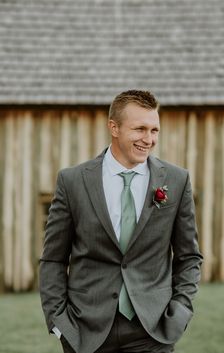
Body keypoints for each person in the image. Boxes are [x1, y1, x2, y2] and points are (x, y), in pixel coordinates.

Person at [39, 90, 203, 353]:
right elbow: (53, 259)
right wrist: (60, 323)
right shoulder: (72, 182)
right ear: (113, 127)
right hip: (86, 332)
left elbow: (189, 256)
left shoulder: (176, 180)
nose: (148, 140)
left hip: (152, 331)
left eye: (154, 130)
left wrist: (180, 312)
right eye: (140, 129)